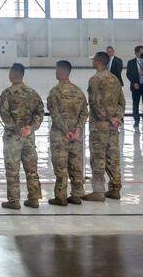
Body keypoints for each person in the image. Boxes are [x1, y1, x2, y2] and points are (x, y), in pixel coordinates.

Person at [0, 63, 44, 210]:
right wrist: (30, 128)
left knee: (12, 169)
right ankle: (34, 198)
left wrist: (17, 128)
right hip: (29, 137)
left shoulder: (7, 94)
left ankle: (14, 201)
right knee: (31, 169)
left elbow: (5, 116)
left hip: (13, 138)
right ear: (22, 75)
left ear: (11, 74)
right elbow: (40, 114)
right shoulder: (33, 93)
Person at [84, 52, 125, 202]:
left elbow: (95, 103)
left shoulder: (95, 79)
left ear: (98, 61)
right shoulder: (115, 79)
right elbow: (122, 103)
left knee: (98, 158)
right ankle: (115, 189)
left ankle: (98, 191)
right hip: (113, 126)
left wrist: (107, 118)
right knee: (112, 157)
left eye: (93, 59)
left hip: (99, 127)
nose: (92, 62)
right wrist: (116, 118)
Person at [47, 59, 89, 206]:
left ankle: (61, 197)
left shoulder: (55, 92)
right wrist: (77, 130)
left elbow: (55, 115)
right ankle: (77, 195)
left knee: (61, 167)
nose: (55, 72)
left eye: (56, 69)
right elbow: (85, 113)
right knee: (76, 166)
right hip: (76, 136)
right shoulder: (78, 91)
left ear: (60, 71)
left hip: (61, 136)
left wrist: (66, 131)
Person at [125, 46, 143, 127]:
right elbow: (128, 74)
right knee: (135, 104)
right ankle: (136, 120)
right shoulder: (131, 62)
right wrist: (134, 83)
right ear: (136, 53)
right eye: (141, 52)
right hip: (135, 86)